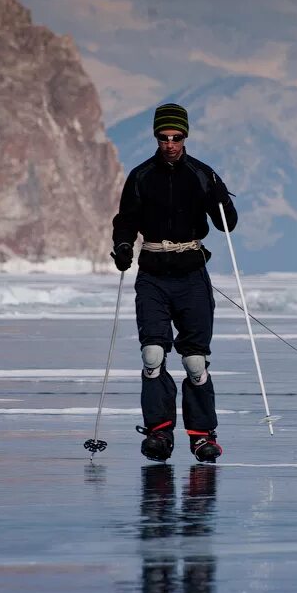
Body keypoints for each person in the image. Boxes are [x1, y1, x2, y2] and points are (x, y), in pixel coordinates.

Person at [111, 103, 237, 463]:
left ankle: (201, 436)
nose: (170, 144)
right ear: (156, 137)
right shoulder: (140, 176)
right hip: (152, 275)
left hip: (192, 275)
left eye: (176, 137)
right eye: (163, 137)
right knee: (153, 355)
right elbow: (125, 221)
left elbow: (227, 223)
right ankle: (158, 432)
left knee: (195, 361)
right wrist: (122, 246)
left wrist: (221, 200)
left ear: (185, 136)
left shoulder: (202, 175)